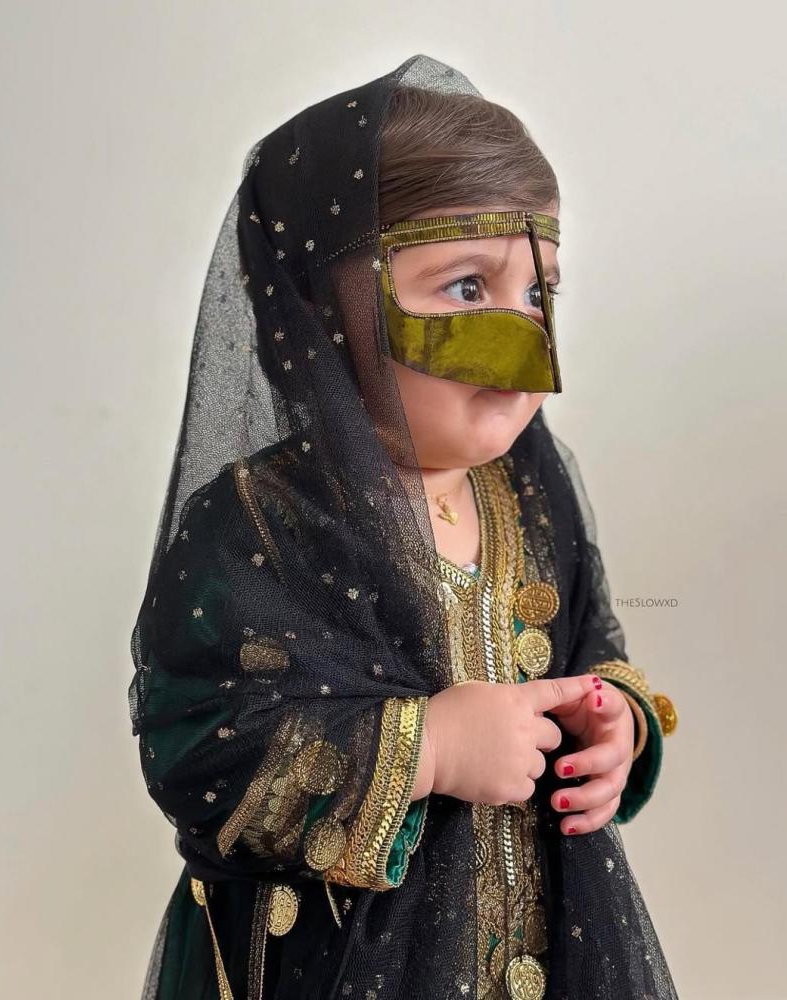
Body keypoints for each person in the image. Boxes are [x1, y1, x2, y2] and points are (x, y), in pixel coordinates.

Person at [128, 53, 679, 999]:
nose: (527, 344)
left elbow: (595, 645)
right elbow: (199, 751)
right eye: (466, 288)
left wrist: (615, 722)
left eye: (538, 294)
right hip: (337, 963)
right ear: (315, 314)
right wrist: (427, 748)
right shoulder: (255, 524)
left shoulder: (534, 495)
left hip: (557, 943)